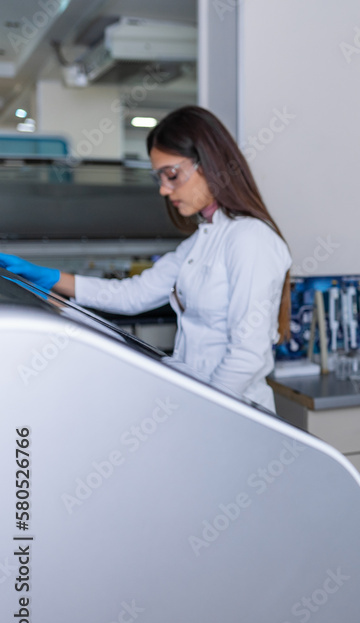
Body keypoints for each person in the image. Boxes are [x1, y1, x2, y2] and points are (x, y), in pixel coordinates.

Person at [0, 106, 292, 412]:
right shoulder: (202, 241)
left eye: (172, 175)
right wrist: (52, 278)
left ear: (209, 164)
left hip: (236, 414)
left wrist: (206, 412)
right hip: (202, 403)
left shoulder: (251, 239)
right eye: (160, 178)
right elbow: (134, 294)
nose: (164, 190)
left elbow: (247, 354)